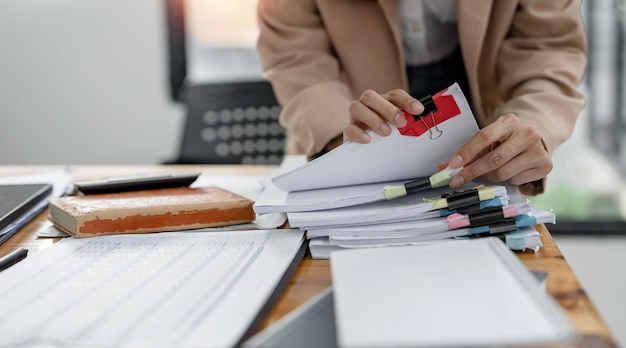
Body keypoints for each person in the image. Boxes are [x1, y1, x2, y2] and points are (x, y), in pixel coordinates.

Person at [256, 0, 587, 196]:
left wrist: (532, 125)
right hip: (350, 111)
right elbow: (294, 57)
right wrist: (340, 135)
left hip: (485, 110)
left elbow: (548, 46)